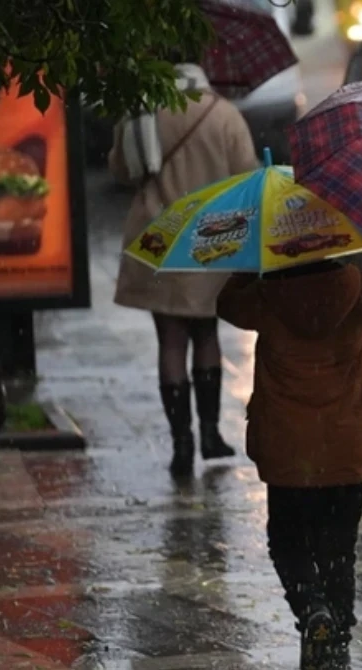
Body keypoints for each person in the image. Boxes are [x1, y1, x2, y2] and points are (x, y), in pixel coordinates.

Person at [214, 234, 362, 670]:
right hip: (345, 448)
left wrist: (252, 259)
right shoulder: (361, 291)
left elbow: (226, 304)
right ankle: (338, 636)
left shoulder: (266, 297)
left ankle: (312, 609)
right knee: (339, 549)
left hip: (289, 451)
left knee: (287, 542)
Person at [109, 50, 260, 477]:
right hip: (210, 241)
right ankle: (211, 432)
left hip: (157, 241)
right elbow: (247, 176)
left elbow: (120, 168)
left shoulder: (143, 107)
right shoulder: (224, 115)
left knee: (170, 341)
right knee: (207, 334)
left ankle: (182, 443)